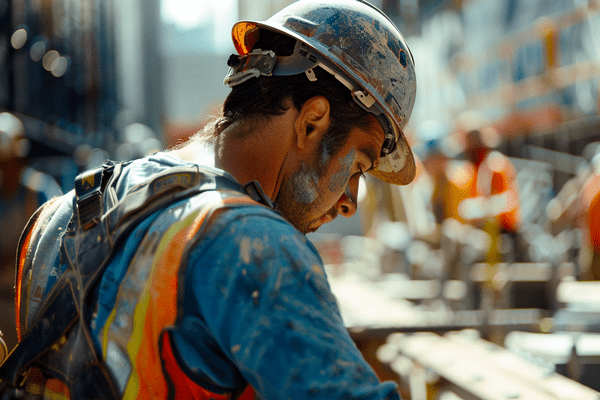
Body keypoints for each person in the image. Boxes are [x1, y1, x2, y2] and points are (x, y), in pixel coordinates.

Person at [0, 1, 417, 399]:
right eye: (358, 167)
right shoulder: (256, 248)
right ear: (311, 122)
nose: (350, 202)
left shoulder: (56, 217)